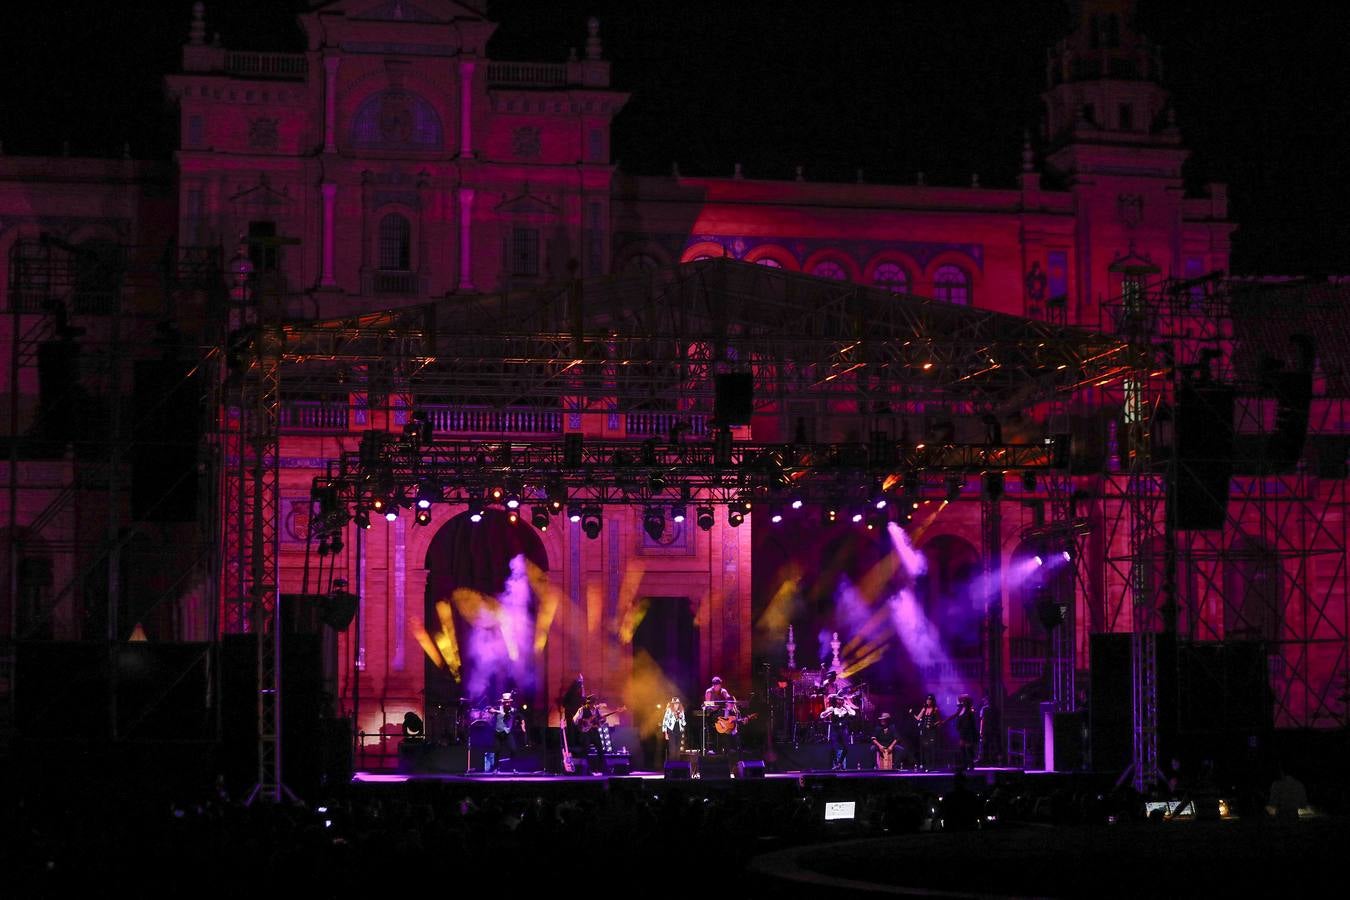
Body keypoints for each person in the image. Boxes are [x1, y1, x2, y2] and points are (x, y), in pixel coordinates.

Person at [571, 694, 609, 774]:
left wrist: (603, 721)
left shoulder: (596, 710)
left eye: (593, 702)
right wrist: (584, 721)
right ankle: (586, 769)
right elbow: (575, 720)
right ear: (588, 703)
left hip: (594, 732)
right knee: (586, 750)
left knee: (600, 749)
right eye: (591, 703)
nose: (593, 704)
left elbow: (599, 723)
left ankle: (601, 769)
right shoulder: (582, 709)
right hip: (585, 732)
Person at [484, 691, 520, 773]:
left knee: (513, 749)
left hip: (507, 733)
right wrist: (496, 711)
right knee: (497, 750)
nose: (507, 704)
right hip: (498, 732)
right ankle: (496, 768)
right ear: (503, 702)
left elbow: (511, 713)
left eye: (508, 702)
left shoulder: (512, 709)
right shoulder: (498, 708)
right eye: (505, 702)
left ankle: (513, 768)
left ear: (510, 702)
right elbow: (489, 709)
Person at [819, 693, 856, 771]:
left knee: (846, 747)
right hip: (835, 730)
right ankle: (836, 764)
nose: (841, 701)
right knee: (833, 747)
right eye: (839, 699)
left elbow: (853, 713)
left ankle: (840, 763)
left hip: (843, 730)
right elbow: (821, 716)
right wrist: (827, 712)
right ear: (836, 700)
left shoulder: (846, 709)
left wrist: (846, 706)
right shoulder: (832, 709)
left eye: (842, 700)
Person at [703, 676, 736, 755]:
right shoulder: (709, 691)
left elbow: (729, 699)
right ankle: (714, 749)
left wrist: (731, 701)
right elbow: (708, 704)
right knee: (716, 728)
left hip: (722, 714)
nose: (719, 686)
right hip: (712, 714)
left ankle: (728, 747)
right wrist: (715, 707)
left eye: (719, 685)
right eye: (717, 685)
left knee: (729, 723)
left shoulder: (723, 691)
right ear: (713, 685)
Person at [913, 693, 942, 771]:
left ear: (932, 701)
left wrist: (932, 725)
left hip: (932, 731)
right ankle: (926, 765)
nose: (928, 701)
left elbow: (939, 721)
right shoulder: (924, 709)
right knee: (925, 748)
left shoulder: (935, 709)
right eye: (927, 699)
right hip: (925, 731)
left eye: (930, 700)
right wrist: (912, 713)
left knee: (931, 748)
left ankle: (932, 766)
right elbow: (918, 718)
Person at [952, 694, 978, 771]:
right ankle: (965, 764)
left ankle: (971, 765)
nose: (961, 702)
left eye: (963, 701)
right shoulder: (961, 710)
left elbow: (972, 722)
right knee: (962, 748)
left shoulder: (970, 710)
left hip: (969, 732)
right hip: (962, 732)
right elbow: (958, 719)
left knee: (968, 749)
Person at [977, 694, 1001, 765]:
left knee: (985, 745)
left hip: (986, 729)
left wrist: (981, 730)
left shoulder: (984, 709)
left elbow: (982, 720)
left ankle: (984, 759)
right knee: (995, 745)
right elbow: (998, 720)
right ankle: (997, 760)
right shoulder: (996, 709)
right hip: (994, 729)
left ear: (986, 701)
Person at [661, 697, 686, 763]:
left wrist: (681, 718)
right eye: (674, 703)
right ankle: (672, 765)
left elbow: (684, 723)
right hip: (671, 731)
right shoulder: (669, 710)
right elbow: (665, 721)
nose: (676, 705)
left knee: (678, 749)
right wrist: (665, 733)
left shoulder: (681, 711)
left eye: (677, 703)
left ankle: (677, 765)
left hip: (679, 731)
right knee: (672, 749)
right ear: (672, 704)